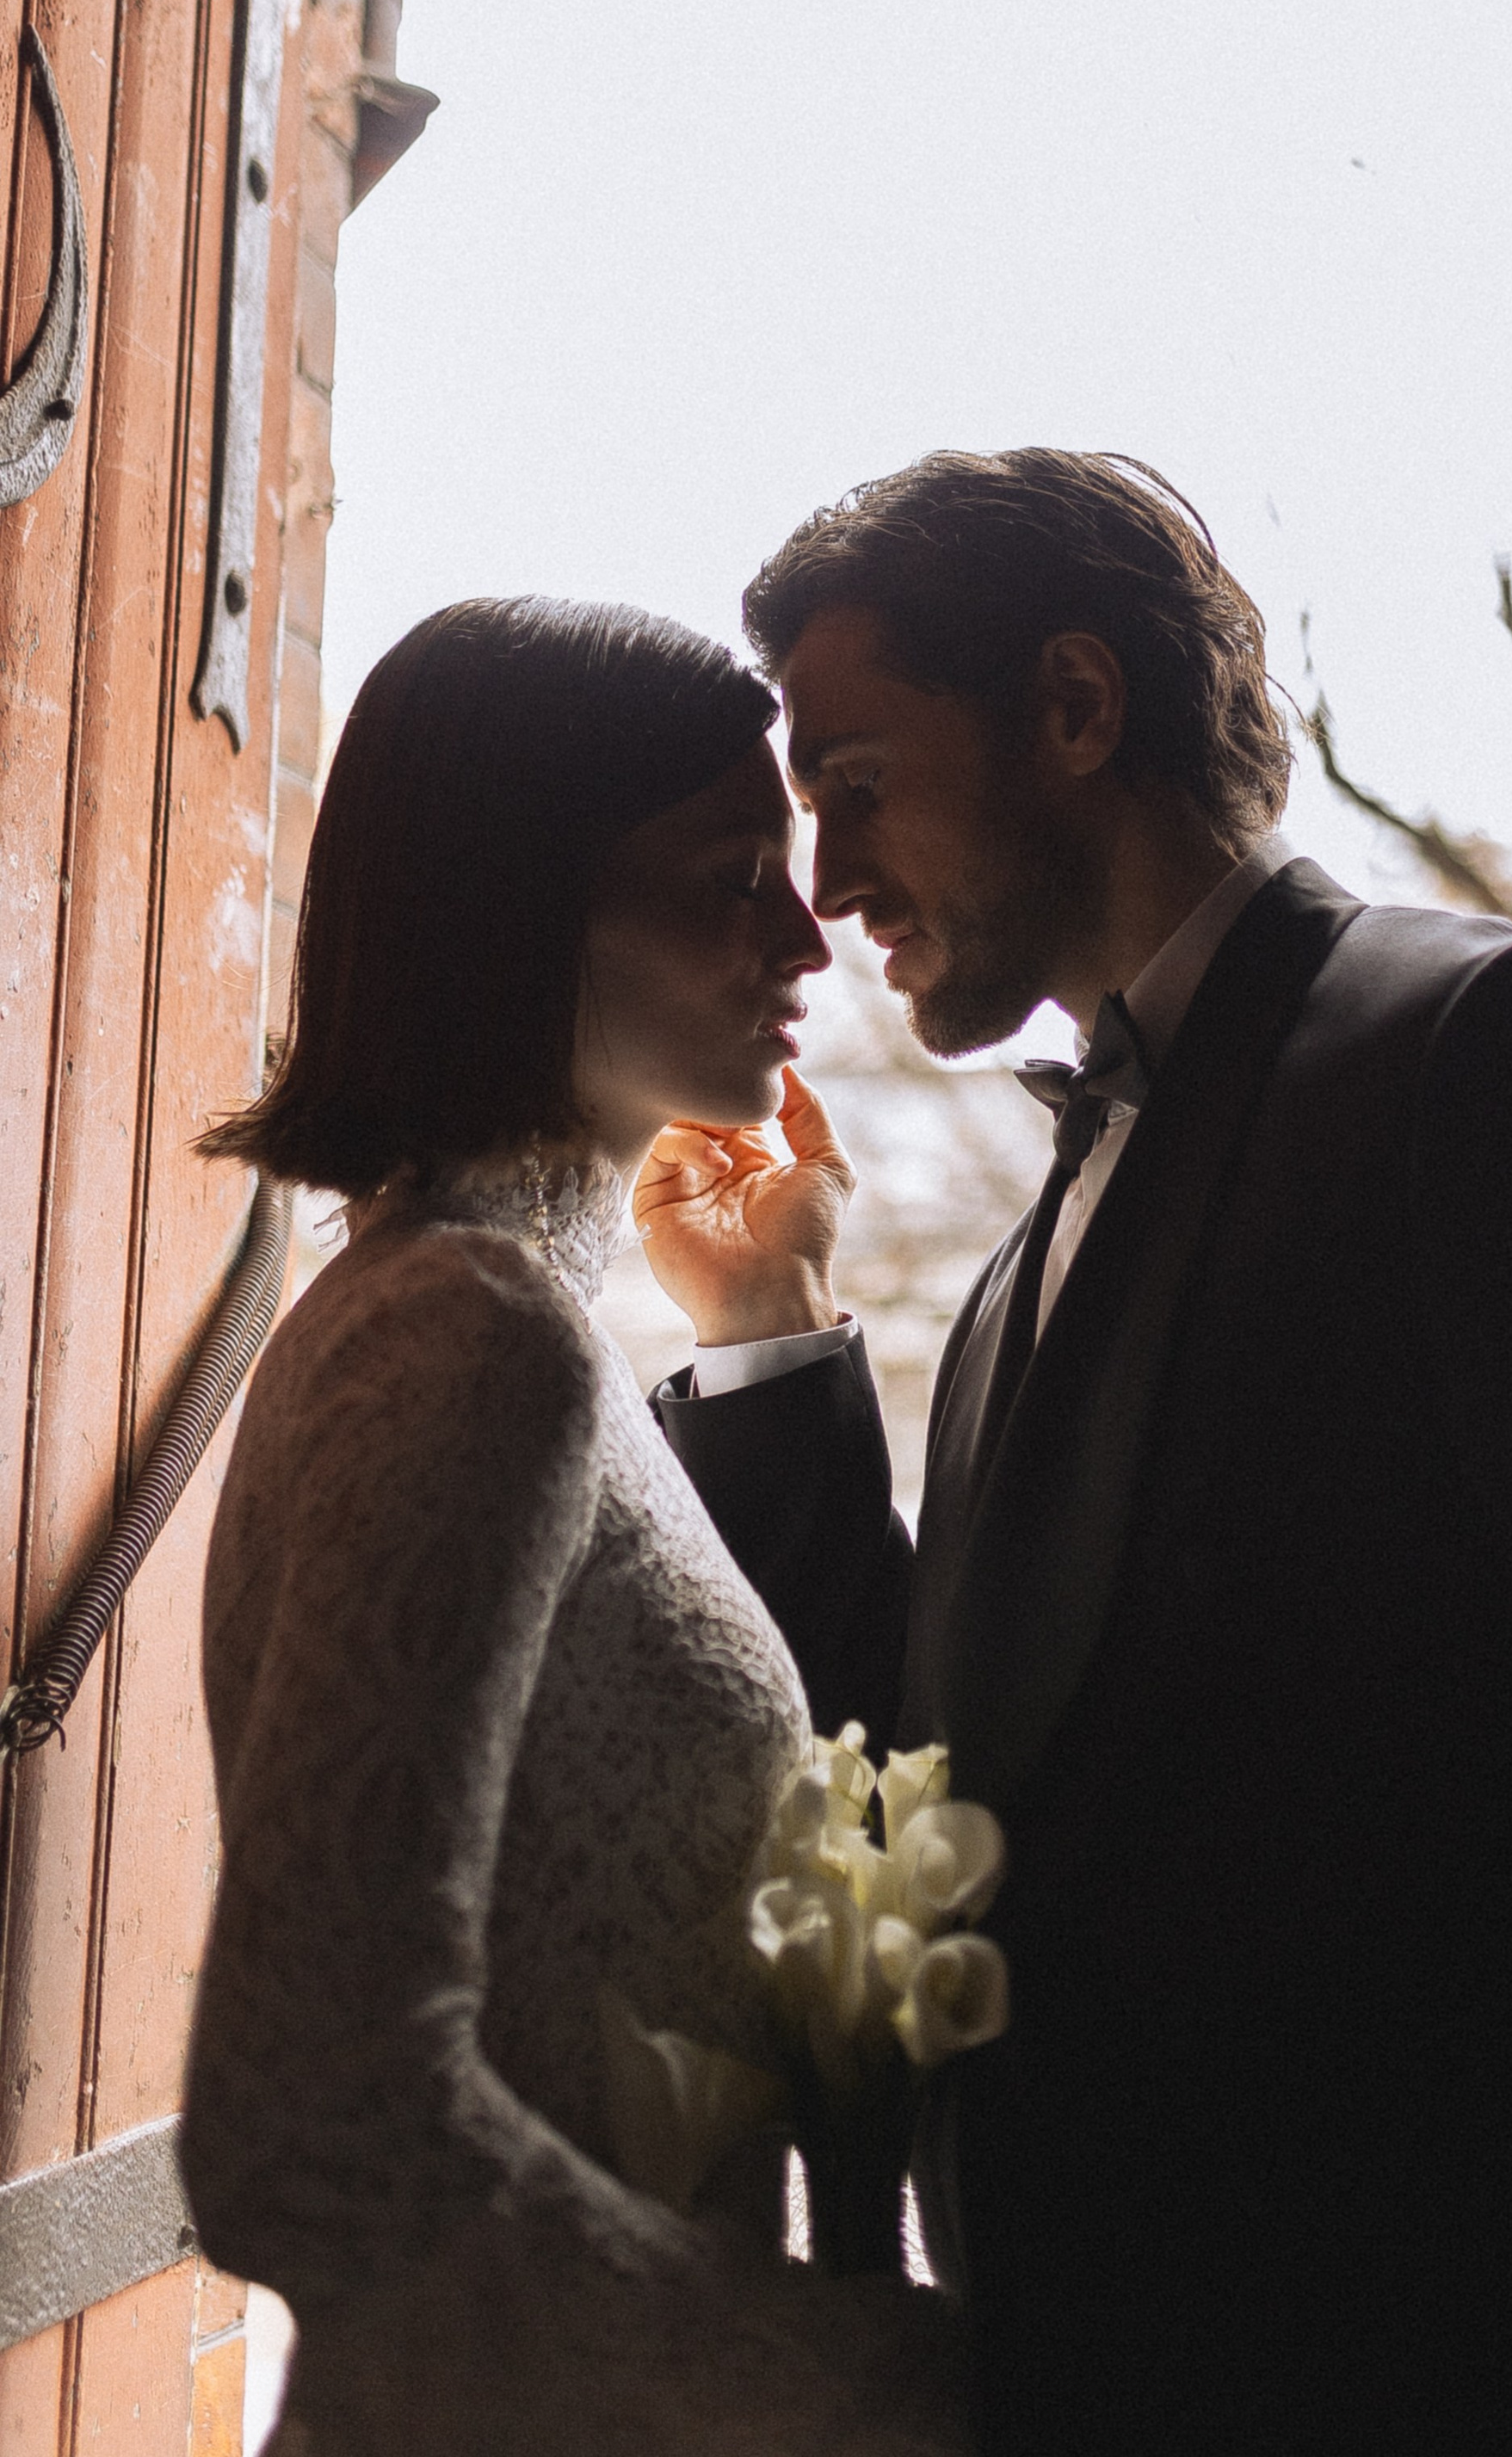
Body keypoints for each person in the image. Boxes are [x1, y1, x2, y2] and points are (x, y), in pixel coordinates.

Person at [641, 449, 1512, 2457]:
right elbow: (923, 1807)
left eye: (855, 781)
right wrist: (764, 1335)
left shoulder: (1507, 1053)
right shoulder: (1009, 1282)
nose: (827, 885)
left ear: (1075, 711)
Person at [181, 598, 961, 2457]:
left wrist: (761, 1326)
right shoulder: (472, 1341)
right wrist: (875, 2383)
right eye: (726, 876)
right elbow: (311, 2128)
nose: (802, 939)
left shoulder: (480, 1317)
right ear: (514, 916)